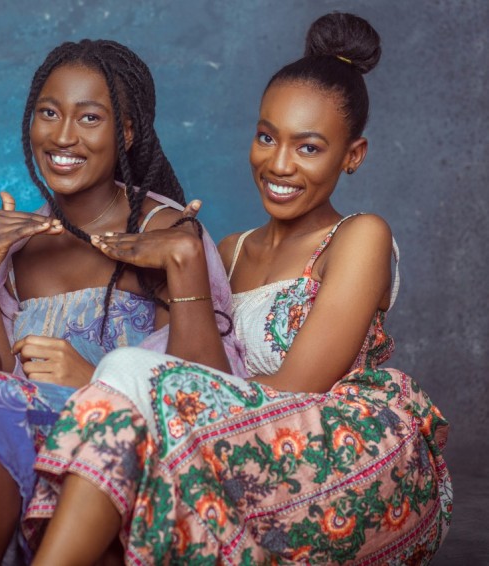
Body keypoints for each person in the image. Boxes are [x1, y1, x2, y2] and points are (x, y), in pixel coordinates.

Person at [25, 13, 452, 564]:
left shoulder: (359, 236)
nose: (279, 164)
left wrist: (121, 373)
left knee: (126, 374)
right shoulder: (227, 251)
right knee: (126, 424)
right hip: (240, 452)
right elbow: (205, 377)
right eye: (267, 137)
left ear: (353, 155)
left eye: (309, 148)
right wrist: (179, 269)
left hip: (337, 457)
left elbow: (294, 390)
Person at [0, 39, 246, 564]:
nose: (63, 135)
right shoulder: (19, 246)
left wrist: (93, 382)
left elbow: (205, 399)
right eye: (48, 113)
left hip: (134, 466)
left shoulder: (166, 232)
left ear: (127, 132)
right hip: (33, 466)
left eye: (89, 117)